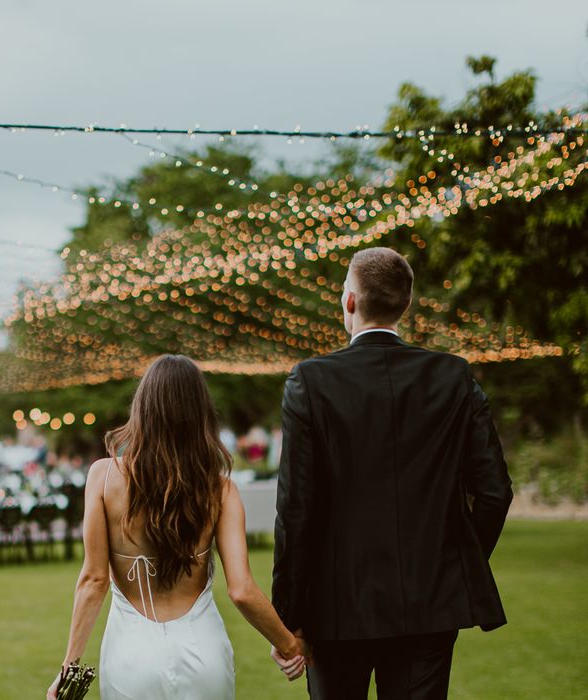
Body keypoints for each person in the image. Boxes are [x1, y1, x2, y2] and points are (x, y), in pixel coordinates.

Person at [272, 247, 513, 699]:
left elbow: (296, 509)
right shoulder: (452, 376)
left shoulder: (310, 381)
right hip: (429, 603)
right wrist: (449, 566)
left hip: (336, 609)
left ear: (349, 302)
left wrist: (289, 614)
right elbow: (495, 492)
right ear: (405, 303)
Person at [48, 355, 307, 700]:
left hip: (130, 658)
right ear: (199, 414)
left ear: (142, 409)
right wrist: (290, 645)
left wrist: (68, 673)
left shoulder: (103, 476)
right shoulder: (221, 489)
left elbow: (94, 580)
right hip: (204, 655)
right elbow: (241, 589)